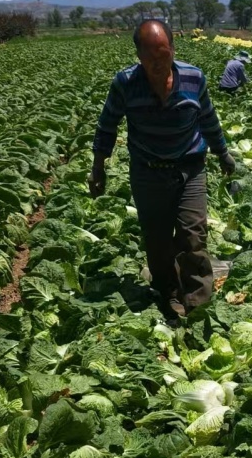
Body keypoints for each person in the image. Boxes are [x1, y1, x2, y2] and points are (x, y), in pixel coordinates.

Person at [88, 20, 235, 321]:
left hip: (189, 168)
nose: (158, 64)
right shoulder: (125, 83)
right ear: (139, 56)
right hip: (148, 171)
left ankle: (197, 305)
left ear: (173, 49)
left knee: (193, 235)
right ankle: (169, 294)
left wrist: (223, 153)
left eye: (164, 55)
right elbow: (107, 126)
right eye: (151, 58)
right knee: (157, 240)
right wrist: (98, 167)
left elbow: (208, 119)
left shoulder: (194, 78)